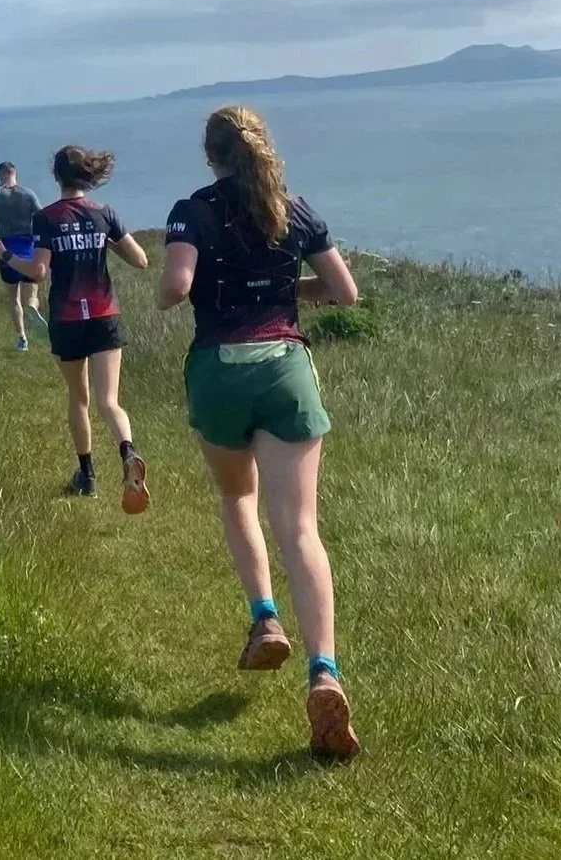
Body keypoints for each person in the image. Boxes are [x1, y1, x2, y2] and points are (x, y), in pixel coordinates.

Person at [157, 105, 362, 762]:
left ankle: (262, 617)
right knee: (300, 526)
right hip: (284, 367)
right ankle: (323, 670)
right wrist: (278, 288)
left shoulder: (192, 209)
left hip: (218, 368)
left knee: (236, 498)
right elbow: (343, 291)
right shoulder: (294, 208)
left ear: (210, 155)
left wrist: (182, 288)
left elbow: (174, 286)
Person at [0, 146, 149, 513]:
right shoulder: (104, 213)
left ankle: (87, 477)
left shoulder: (47, 217)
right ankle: (129, 452)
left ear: (57, 177)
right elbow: (141, 260)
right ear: (87, 175)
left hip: (69, 317)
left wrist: (3, 254)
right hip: (105, 316)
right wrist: (103, 240)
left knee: (79, 398)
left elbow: (39, 272)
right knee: (110, 401)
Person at [0, 162, 47, 351]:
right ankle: (32, 306)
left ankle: (22, 338)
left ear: (0, 176)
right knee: (32, 292)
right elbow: (42, 217)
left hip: (6, 249)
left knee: (13, 297)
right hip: (28, 248)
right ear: (15, 175)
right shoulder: (28, 194)